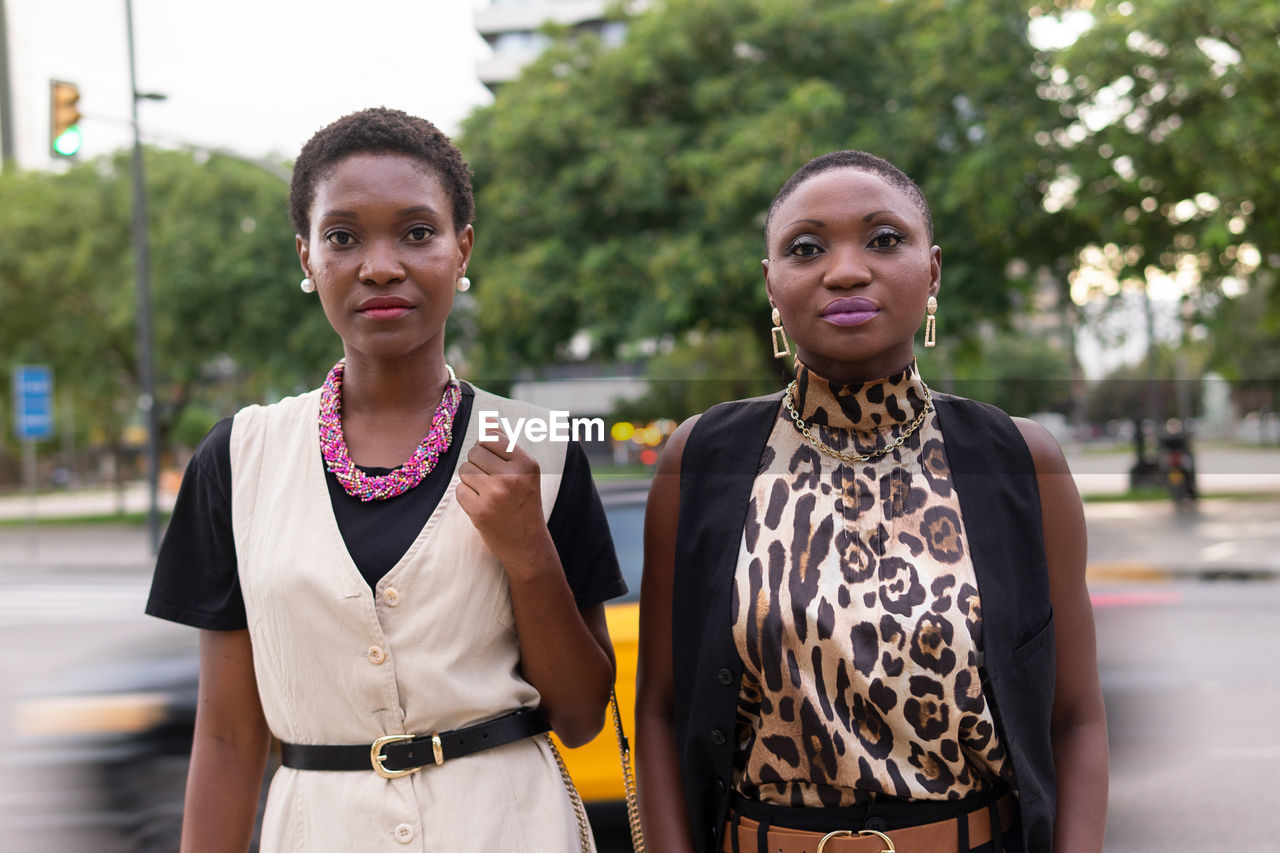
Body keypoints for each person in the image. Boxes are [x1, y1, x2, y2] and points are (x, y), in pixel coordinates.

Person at [146, 107, 626, 852]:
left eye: (416, 232)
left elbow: (583, 714)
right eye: (342, 237)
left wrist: (528, 552)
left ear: (461, 250)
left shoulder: (538, 447)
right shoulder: (237, 459)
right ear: (306, 257)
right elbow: (232, 733)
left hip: (509, 828)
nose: (380, 265)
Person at [635, 151, 1108, 853]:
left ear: (934, 270)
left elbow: (1077, 720)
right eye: (807, 248)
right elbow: (661, 713)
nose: (847, 270)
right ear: (772, 283)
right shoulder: (700, 460)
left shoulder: (1018, 460)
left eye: (885, 239)